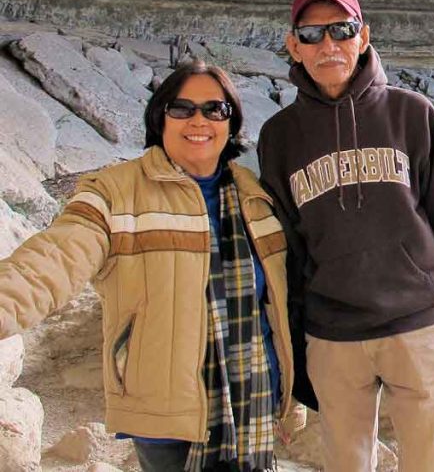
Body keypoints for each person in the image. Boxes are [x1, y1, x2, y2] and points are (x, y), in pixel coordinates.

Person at [0, 61, 303, 472]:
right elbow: (53, 259)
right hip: (164, 412)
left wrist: (292, 393)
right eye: (182, 108)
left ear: (232, 124)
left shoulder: (256, 197)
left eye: (215, 109)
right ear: (160, 117)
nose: (199, 120)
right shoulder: (116, 190)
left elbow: (282, 300)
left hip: (255, 399)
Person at [257, 0, 434, 472]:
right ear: (293, 46)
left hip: (417, 322)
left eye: (342, 29)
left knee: (428, 464)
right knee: (346, 464)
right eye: (312, 34)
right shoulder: (279, 137)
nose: (328, 44)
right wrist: (293, 339)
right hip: (333, 333)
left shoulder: (412, 114)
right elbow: (286, 244)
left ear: (364, 36)